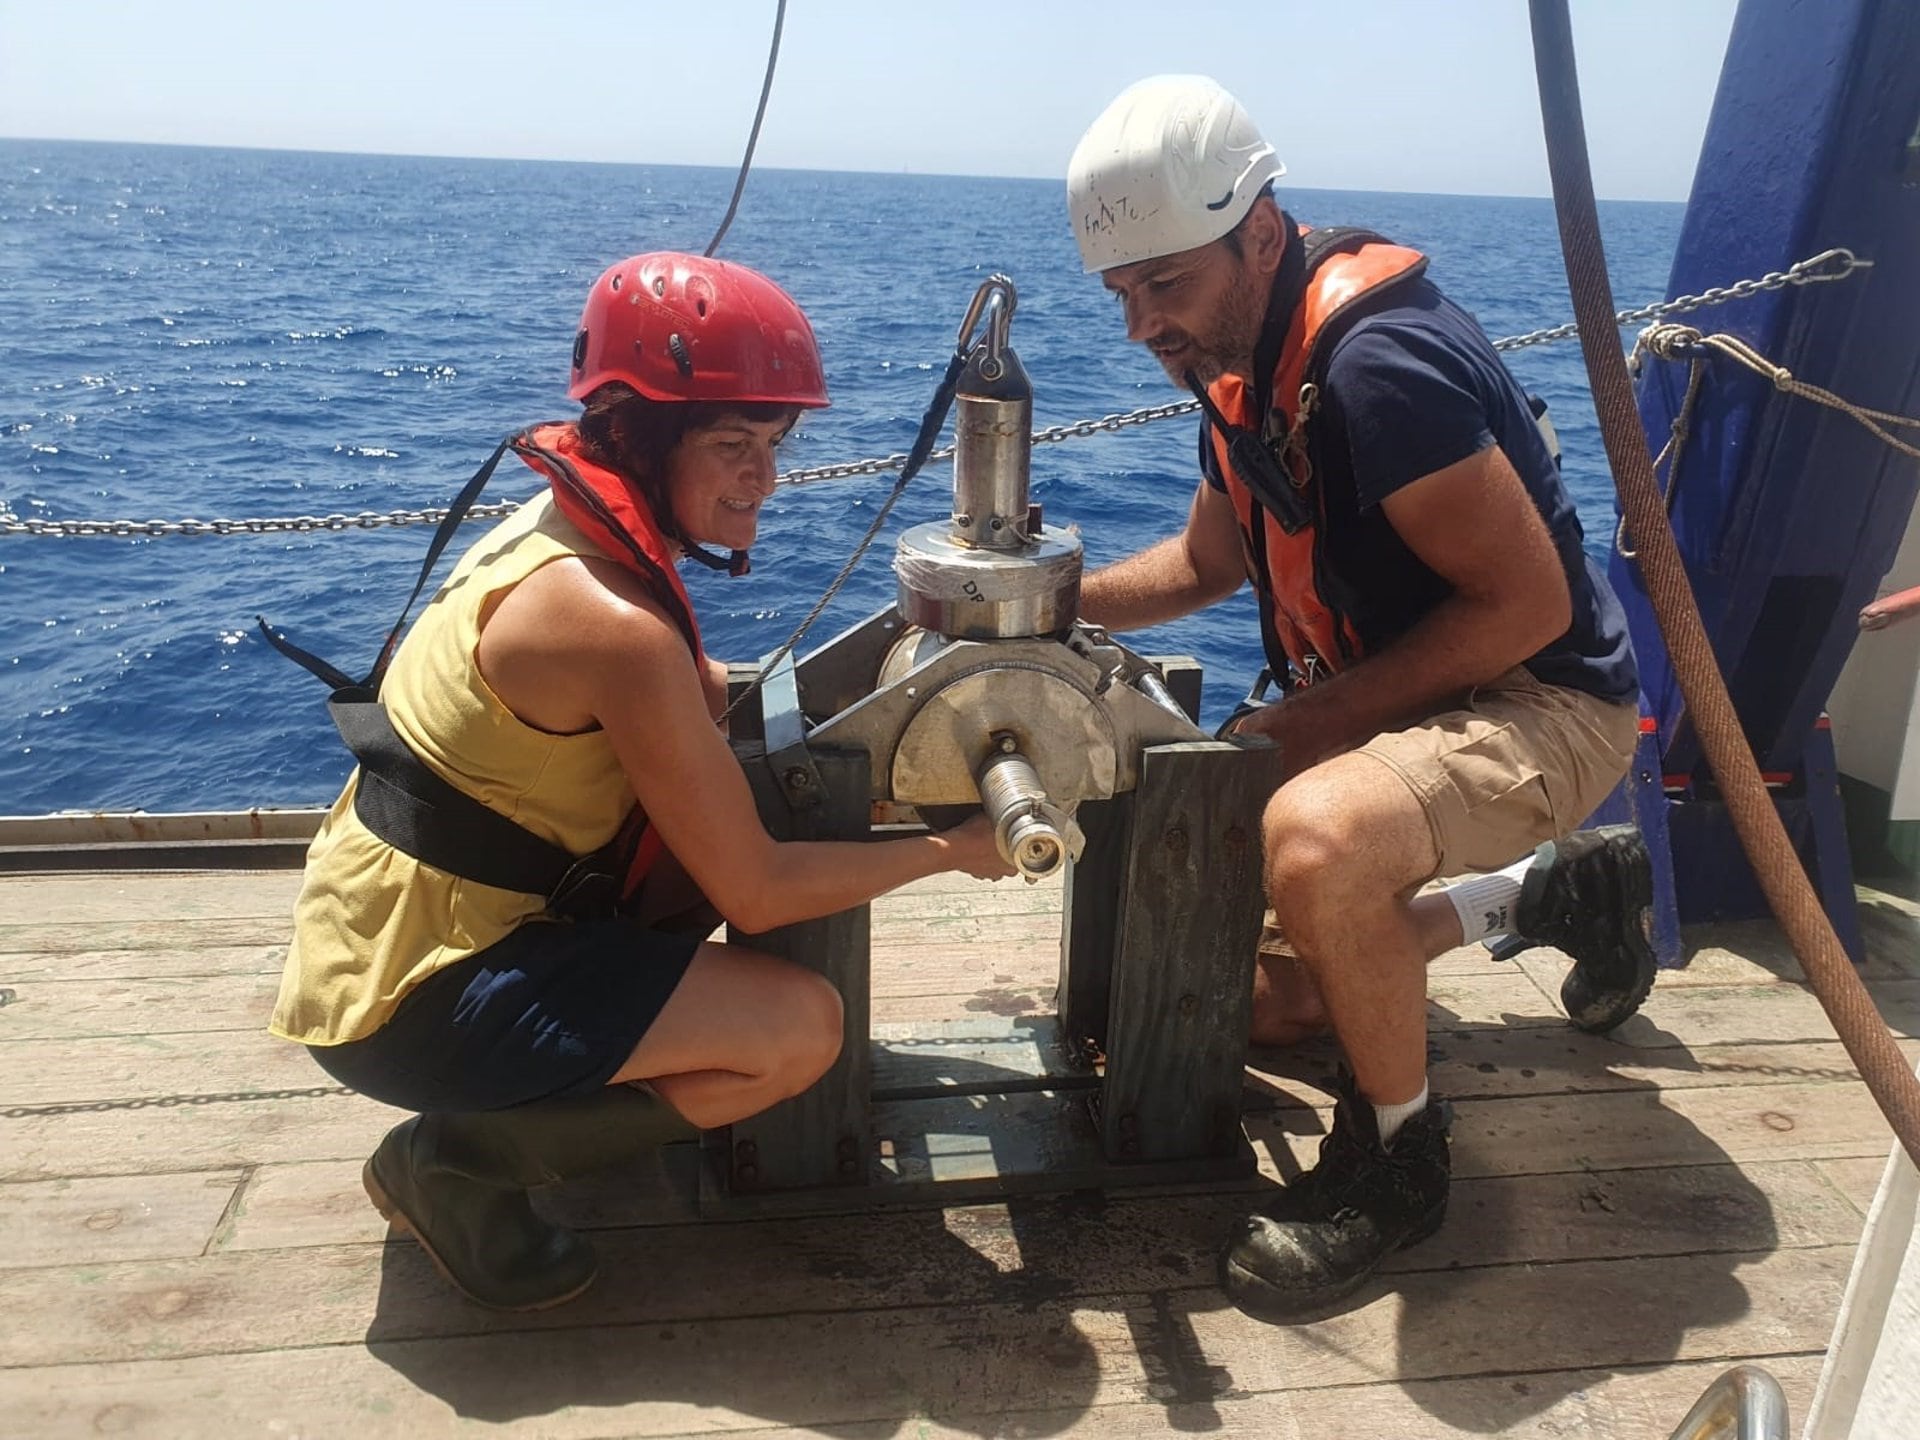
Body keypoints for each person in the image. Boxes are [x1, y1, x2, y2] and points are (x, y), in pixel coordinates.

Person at [268, 252, 1012, 1312]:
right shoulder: (608, 625)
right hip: (411, 994)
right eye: (729, 445)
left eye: (774, 444)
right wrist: (951, 849)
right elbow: (753, 891)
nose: (765, 477)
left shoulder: (557, 531)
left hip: (394, 930)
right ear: (644, 439)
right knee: (794, 1033)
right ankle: (458, 1163)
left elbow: (697, 698)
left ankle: (552, 1097)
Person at [1065, 77, 1656, 1321]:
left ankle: (1396, 1161)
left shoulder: (1382, 366)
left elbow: (1528, 612)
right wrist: (1047, 598)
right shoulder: (1241, 369)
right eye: (1123, 295)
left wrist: (1307, 727)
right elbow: (1206, 567)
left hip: (1545, 701)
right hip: (1427, 704)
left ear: (1262, 236)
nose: (1143, 329)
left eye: (1166, 284)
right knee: (1257, 1008)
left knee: (1317, 839)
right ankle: (1546, 895)